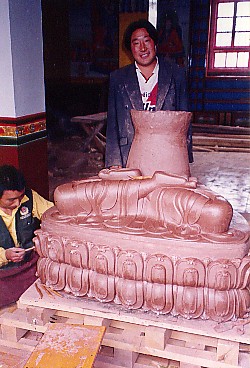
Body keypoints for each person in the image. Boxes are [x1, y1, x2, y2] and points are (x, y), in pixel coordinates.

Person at [105, 19, 193, 169]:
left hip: (168, 154)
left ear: (155, 43)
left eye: (147, 41)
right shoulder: (118, 78)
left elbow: (185, 121)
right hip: (130, 154)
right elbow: (113, 124)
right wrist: (114, 161)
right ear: (130, 48)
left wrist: (185, 156)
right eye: (136, 43)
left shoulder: (176, 74)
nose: (143, 48)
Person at [0, 165, 53, 307]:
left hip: (27, 265)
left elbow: (52, 214)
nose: (17, 203)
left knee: (48, 274)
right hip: (2, 272)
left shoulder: (29, 197)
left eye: (20, 197)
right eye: (11, 200)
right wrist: (5, 255)